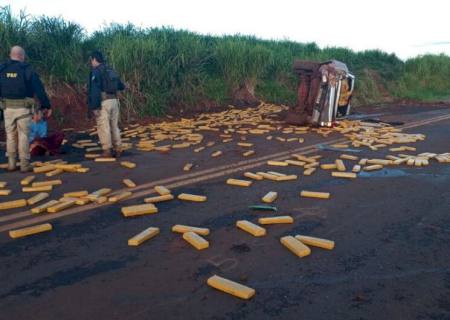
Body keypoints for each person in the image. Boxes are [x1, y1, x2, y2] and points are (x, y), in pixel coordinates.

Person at [0, 46, 51, 172]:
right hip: (23, 109)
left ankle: (11, 163)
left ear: (10, 55)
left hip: (7, 108)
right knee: (23, 135)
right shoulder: (27, 69)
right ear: (22, 56)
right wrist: (46, 105)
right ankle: (24, 164)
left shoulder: (2, 69)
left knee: (10, 135)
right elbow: (39, 89)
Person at [87, 50, 125, 158]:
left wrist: (95, 107)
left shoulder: (96, 71)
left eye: (91, 60)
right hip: (114, 101)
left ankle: (107, 150)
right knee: (114, 125)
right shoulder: (110, 69)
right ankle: (118, 148)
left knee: (104, 126)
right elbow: (121, 86)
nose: (91, 62)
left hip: (104, 102)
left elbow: (95, 90)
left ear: (94, 59)